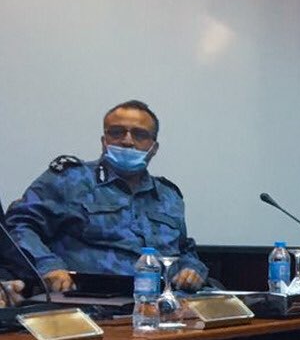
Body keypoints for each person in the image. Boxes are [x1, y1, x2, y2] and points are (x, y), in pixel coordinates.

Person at [4, 100, 207, 294]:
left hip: (164, 303)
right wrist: (48, 266)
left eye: (139, 135)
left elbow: (183, 250)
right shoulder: (69, 180)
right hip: (90, 300)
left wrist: (192, 269)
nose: (127, 141)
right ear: (104, 141)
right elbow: (18, 226)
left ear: (153, 148)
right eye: (117, 132)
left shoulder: (168, 196)